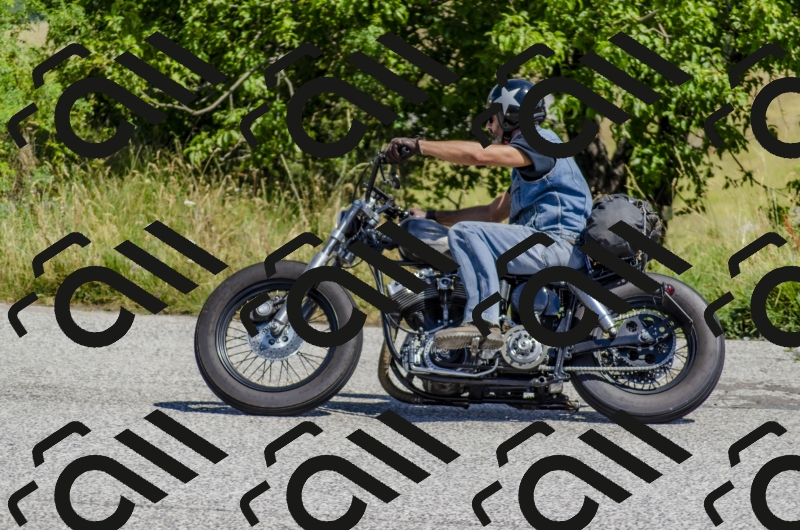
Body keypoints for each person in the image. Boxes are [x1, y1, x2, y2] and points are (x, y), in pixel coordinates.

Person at [383, 78, 592, 351]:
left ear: (510, 116)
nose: (488, 127)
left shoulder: (540, 142)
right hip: (548, 244)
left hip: (557, 244)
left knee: (465, 233)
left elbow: (479, 156)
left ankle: (481, 321)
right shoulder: (530, 164)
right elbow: (492, 213)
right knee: (469, 231)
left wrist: (419, 145)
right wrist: (432, 215)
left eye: (491, 119)